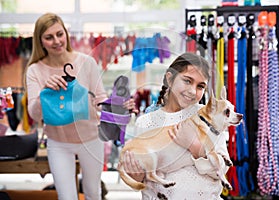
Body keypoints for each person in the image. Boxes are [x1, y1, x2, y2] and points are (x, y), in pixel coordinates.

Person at [25, 13, 136, 200]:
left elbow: (99, 100)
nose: (56, 41)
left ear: (66, 34)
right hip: (58, 143)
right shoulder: (35, 70)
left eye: (59, 34)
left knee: (93, 193)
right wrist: (44, 91)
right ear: (40, 41)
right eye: (49, 37)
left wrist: (119, 106)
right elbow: (35, 115)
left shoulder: (87, 62)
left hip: (91, 140)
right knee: (66, 197)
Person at [122, 52, 230, 199]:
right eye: (187, 81)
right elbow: (140, 179)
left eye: (200, 86)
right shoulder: (146, 122)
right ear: (170, 79)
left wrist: (194, 146)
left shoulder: (209, 117)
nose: (192, 91)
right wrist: (136, 174)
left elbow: (222, 169)